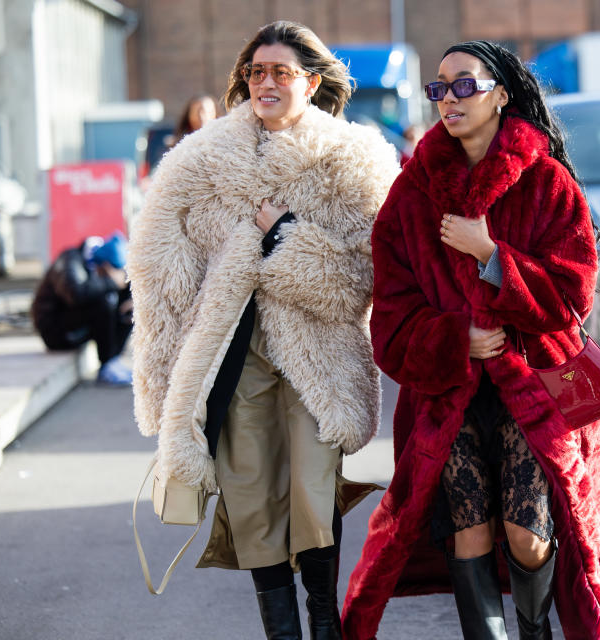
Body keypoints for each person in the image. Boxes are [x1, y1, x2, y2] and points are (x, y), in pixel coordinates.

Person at [126, 21, 399, 640]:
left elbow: (366, 275)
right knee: (250, 496)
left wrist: (286, 237)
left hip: (316, 353)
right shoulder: (196, 161)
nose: (266, 83)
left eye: (281, 71)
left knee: (311, 491)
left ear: (312, 80)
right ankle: (283, 632)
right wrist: (163, 381)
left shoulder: (355, 159)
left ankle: (325, 623)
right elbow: (158, 274)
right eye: (256, 72)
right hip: (231, 356)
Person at [342, 41, 600, 640]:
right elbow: (389, 323)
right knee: (467, 532)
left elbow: (573, 296)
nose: (449, 98)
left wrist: (492, 256)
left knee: (527, 535)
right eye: (438, 88)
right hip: (448, 394)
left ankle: (535, 631)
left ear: (500, 94)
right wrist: (453, 339)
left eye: (464, 85)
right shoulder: (410, 196)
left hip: (536, 389)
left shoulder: (546, 182)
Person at [31, 232, 133, 386]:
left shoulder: (98, 266)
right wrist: (110, 282)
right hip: (55, 332)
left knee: (130, 309)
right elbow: (75, 294)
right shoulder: (69, 260)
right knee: (103, 302)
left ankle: (113, 361)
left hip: (79, 325)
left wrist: (131, 299)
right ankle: (107, 365)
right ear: (104, 266)